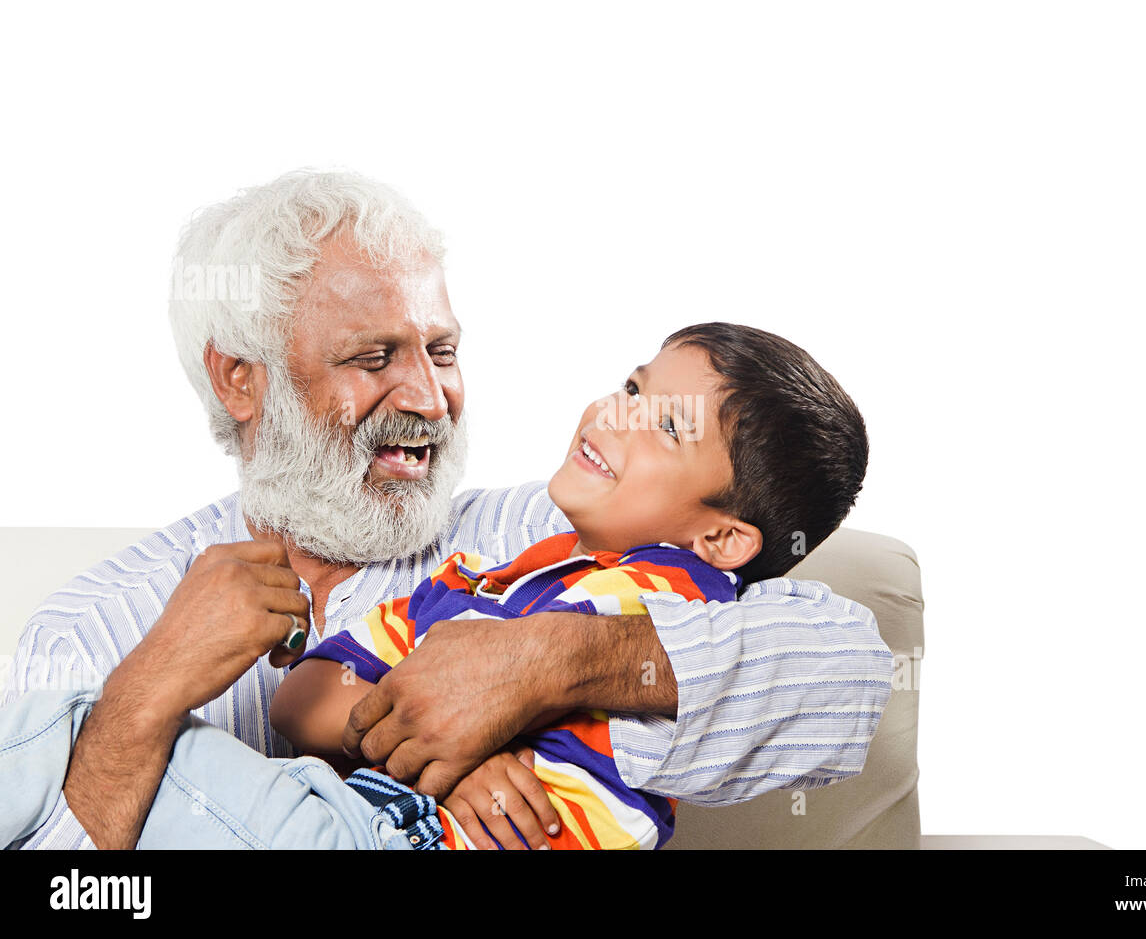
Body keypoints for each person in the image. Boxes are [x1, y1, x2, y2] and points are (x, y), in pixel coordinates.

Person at [0, 170, 894, 850]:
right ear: (243, 381)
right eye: (374, 356)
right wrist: (147, 693)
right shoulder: (90, 630)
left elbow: (849, 675)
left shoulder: (548, 545)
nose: (429, 398)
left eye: (441, 349)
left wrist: (547, 663)